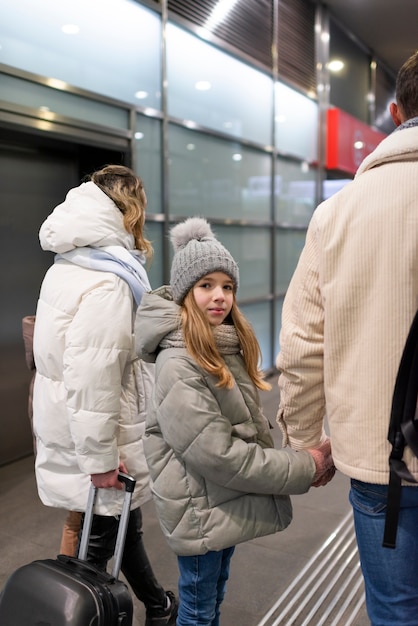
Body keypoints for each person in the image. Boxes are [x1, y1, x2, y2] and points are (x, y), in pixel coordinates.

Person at [134, 216, 334, 626]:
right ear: (186, 292)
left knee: (212, 593)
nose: (220, 296)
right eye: (206, 285)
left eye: (227, 286)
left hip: (216, 501)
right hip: (198, 506)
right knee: (197, 606)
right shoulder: (179, 362)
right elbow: (218, 454)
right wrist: (304, 465)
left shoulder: (220, 346)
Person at [276, 51, 418, 626]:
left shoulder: (338, 215)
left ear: (393, 112)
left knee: (394, 609)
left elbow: (304, 345)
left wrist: (307, 441)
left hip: (381, 461)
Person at [32, 164, 178, 626]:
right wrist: (98, 458)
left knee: (120, 526)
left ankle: (157, 606)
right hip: (100, 429)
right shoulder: (111, 279)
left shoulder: (72, 262)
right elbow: (95, 373)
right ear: (130, 210)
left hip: (71, 417)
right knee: (96, 551)